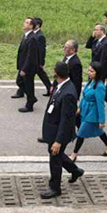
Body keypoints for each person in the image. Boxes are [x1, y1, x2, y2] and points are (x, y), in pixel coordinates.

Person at [40, 61, 84, 199]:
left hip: (60, 133)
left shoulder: (68, 93)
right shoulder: (60, 86)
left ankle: (55, 188)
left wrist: (58, 141)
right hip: (53, 130)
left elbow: (67, 120)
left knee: (55, 159)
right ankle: (75, 170)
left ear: (56, 73)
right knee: (55, 155)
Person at [72, 61, 107, 159]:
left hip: (92, 113)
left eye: (92, 71)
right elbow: (84, 96)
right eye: (89, 70)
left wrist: (101, 120)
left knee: (81, 133)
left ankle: (74, 154)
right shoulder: (90, 82)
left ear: (97, 73)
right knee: (99, 132)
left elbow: (100, 104)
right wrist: (79, 107)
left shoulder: (100, 87)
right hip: (85, 110)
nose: (89, 73)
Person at [14, 17, 40, 112]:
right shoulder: (26, 36)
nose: (24, 23)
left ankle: (30, 105)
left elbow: (30, 56)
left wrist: (24, 69)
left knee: (28, 85)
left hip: (28, 67)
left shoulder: (32, 38)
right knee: (20, 82)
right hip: (23, 65)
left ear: (31, 26)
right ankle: (32, 97)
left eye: (27, 22)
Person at [33, 17, 53, 96]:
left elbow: (42, 50)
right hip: (32, 60)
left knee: (42, 75)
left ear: (38, 25)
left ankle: (50, 89)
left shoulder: (40, 36)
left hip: (37, 61)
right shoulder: (33, 34)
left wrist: (41, 62)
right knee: (26, 76)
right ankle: (20, 91)